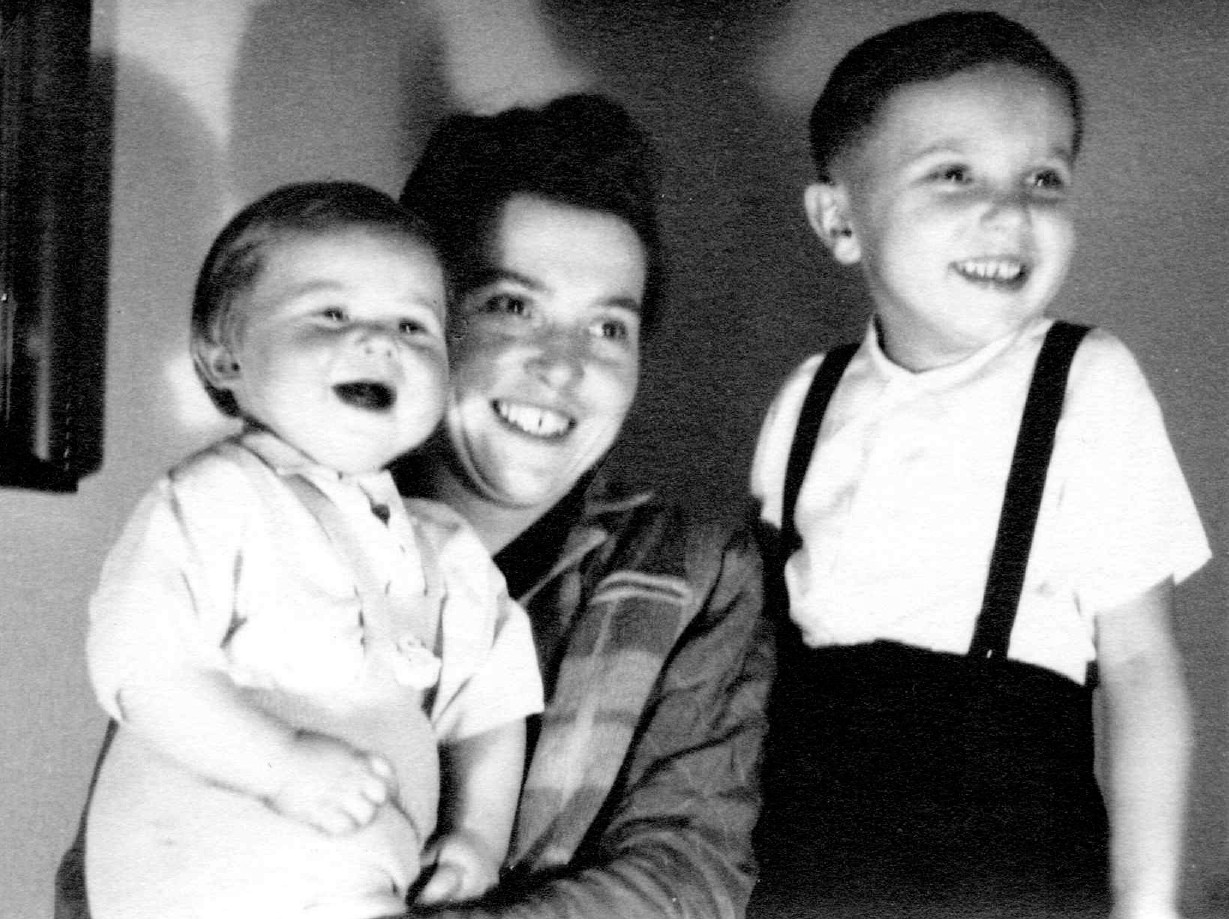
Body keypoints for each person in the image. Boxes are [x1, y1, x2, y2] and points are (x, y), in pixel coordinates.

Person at [57, 95, 771, 919]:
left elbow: (689, 872)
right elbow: (111, 849)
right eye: (511, 305)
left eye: (608, 327)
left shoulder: (692, 568)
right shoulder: (246, 509)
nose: (562, 365)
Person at [748, 12, 1209, 919]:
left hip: (1012, 864)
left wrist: (1145, 907)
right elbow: (761, 653)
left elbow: (1141, 665)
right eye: (953, 174)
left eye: (1043, 178)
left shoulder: (1083, 379)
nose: (1011, 212)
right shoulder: (806, 396)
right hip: (808, 860)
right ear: (838, 220)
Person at [80, 181, 542, 919]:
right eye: (331, 313)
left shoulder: (447, 551)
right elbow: (141, 667)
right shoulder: (217, 498)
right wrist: (281, 765)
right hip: (205, 875)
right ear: (224, 355)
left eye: (414, 325)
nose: (382, 341)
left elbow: (491, 710)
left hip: (366, 882)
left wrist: (478, 837)